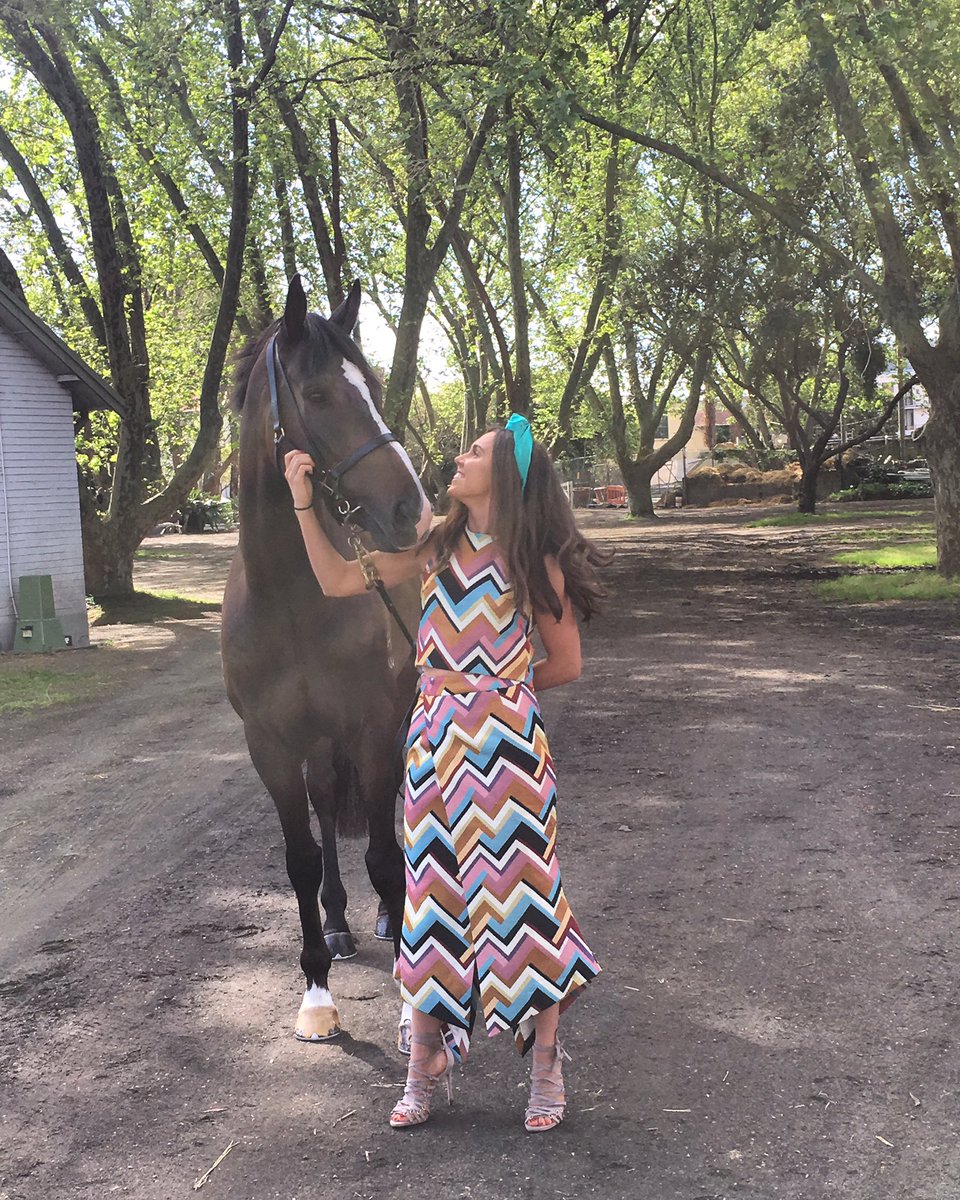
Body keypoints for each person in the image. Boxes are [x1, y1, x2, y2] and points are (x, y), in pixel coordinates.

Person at [284, 415, 606, 1133]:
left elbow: (566, 662)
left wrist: (495, 692)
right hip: (430, 746)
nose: (460, 458)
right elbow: (338, 579)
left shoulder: (537, 561)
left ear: (509, 477)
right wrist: (305, 500)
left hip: (509, 752)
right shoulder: (433, 544)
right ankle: (426, 1058)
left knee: (526, 903)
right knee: (429, 901)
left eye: (477, 451)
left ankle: (547, 1061)